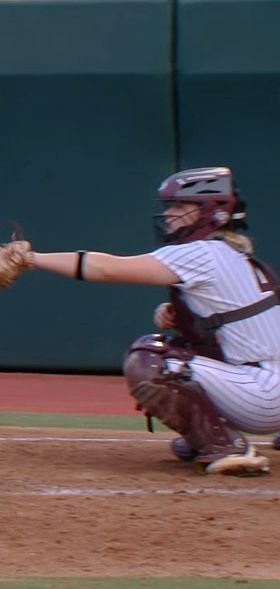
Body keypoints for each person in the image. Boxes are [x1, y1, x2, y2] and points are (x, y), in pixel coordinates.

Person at [25, 166, 278, 475]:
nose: (169, 213)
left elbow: (107, 268)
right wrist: (184, 318)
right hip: (266, 387)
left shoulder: (203, 252)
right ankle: (209, 431)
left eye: (180, 206)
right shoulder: (233, 255)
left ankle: (224, 444)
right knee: (179, 346)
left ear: (211, 211)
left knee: (150, 358)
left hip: (263, 395)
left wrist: (30, 259)